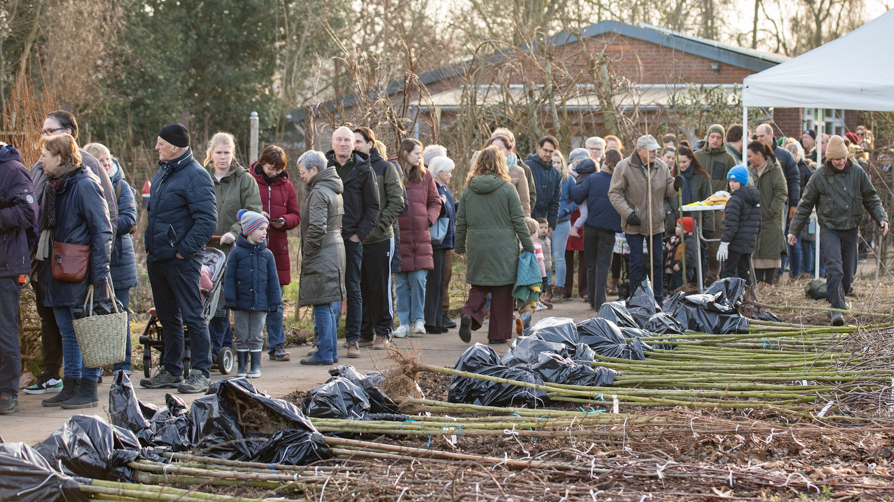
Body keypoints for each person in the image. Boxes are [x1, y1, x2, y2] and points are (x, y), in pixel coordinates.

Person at [26, 110, 117, 395]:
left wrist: (98, 273)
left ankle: (87, 386)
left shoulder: (84, 183)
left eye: (45, 154)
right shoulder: (56, 184)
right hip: (56, 267)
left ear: (60, 157)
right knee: (68, 330)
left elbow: (103, 228)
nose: (40, 159)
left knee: (84, 330)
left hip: (79, 269)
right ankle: (72, 384)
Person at [141, 123, 217, 394]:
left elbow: (207, 221)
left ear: (175, 146)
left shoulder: (196, 176)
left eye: (161, 143)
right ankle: (171, 370)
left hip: (182, 260)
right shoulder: (162, 174)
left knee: (192, 316)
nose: (156, 147)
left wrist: (182, 251)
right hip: (158, 258)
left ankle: (200, 372)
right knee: (167, 316)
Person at [788, 135, 889, 326]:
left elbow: (871, 197)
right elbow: (805, 204)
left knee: (848, 272)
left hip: (851, 228)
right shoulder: (819, 176)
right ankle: (836, 308)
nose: (841, 162)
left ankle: (837, 299)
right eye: (837, 159)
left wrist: (881, 218)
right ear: (829, 159)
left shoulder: (857, 172)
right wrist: (794, 230)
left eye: (843, 158)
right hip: (830, 228)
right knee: (834, 268)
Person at [456, 146, 534, 345]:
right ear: (501, 164)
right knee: (503, 292)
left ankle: (470, 315)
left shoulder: (468, 190)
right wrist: (528, 245)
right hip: (504, 247)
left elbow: (461, 221)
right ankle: (498, 335)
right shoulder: (507, 189)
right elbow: (518, 220)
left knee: (479, 286)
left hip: (477, 245)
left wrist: (459, 248)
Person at [203, 132, 262, 363]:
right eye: (218, 153)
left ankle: (216, 349)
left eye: (227, 153)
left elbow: (253, 211)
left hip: (231, 250)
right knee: (206, 299)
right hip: (204, 248)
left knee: (221, 301)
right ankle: (223, 349)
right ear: (211, 153)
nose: (222, 157)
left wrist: (235, 231)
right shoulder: (202, 176)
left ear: (233, 154)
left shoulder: (244, 179)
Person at [83, 143, 138, 375]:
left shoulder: (120, 186)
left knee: (119, 312)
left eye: (107, 158)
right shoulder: (84, 186)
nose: (106, 163)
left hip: (119, 259)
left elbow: (129, 220)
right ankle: (94, 367)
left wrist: (101, 225)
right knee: (92, 313)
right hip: (92, 259)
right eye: (99, 159)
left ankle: (122, 366)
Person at [609, 134, 681, 304]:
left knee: (657, 261)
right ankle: (636, 299)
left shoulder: (662, 166)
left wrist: (676, 186)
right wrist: (628, 213)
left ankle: (658, 298)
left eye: (656, 149)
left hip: (656, 222)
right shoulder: (623, 166)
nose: (656, 152)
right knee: (635, 263)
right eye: (651, 150)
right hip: (633, 223)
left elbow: (668, 189)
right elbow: (614, 193)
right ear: (640, 151)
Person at [326, 127, 379, 357]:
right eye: (339, 139)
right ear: (333, 143)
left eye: (348, 140)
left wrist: (359, 234)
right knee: (327, 290)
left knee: (353, 289)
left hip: (351, 238)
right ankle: (325, 340)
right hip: (327, 239)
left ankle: (352, 340)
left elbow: (373, 207)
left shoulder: (364, 170)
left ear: (353, 144)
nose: (344, 143)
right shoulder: (324, 167)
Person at [353, 127, 404, 352]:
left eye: (358, 141)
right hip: (356, 240)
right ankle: (365, 331)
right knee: (360, 287)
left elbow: (397, 201)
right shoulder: (349, 170)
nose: (354, 145)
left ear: (370, 144)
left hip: (380, 238)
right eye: (351, 141)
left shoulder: (386, 168)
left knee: (380, 287)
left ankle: (383, 331)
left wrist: (381, 225)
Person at [249, 145, 300, 362]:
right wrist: (255, 217)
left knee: (276, 301)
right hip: (252, 249)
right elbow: (239, 210)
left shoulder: (287, 186)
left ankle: (277, 345)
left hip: (277, 249)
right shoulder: (248, 181)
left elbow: (296, 215)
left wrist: (284, 222)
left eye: (278, 169)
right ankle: (251, 344)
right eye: (271, 168)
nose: (274, 173)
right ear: (261, 163)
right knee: (251, 300)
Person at [296, 151, 346, 364]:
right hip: (335, 249)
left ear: (314, 170)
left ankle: (324, 352)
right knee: (330, 302)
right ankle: (331, 351)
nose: (301, 176)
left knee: (322, 303)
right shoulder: (332, 188)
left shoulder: (318, 192)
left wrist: (308, 252)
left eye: (303, 172)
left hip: (322, 251)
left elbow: (316, 227)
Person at [0, 142, 37, 414]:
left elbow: (28, 212)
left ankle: (7, 392)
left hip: (6, 266)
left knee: (4, 330)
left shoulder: (13, 170)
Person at [224, 210, 281, 377]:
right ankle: (242, 366)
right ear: (248, 230)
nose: (264, 233)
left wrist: (274, 302)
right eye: (260, 229)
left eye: (266, 229)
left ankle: (256, 366)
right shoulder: (236, 253)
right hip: (241, 303)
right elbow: (229, 278)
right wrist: (230, 299)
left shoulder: (268, 255)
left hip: (260, 303)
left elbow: (273, 281)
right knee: (241, 334)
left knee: (256, 334)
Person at [393, 139, 441, 338]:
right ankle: (403, 322)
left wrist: (428, 219)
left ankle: (418, 319)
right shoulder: (393, 172)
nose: (420, 157)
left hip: (420, 236)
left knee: (419, 280)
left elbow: (435, 201)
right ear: (405, 153)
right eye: (416, 153)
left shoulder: (425, 175)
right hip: (398, 235)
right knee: (402, 282)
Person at [571, 156, 621, 310]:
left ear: (603, 163)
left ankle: (592, 299)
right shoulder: (618, 181)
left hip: (590, 227)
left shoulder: (592, 178)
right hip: (608, 229)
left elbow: (577, 195)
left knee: (591, 265)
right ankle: (600, 302)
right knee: (603, 265)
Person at [745, 141, 788, 284]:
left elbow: (781, 192)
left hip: (771, 219)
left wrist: (771, 211)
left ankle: (769, 284)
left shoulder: (774, 169)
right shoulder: (750, 170)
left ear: (759, 154)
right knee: (756, 254)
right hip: (754, 219)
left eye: (750, 156)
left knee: (770, 254)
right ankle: (757, 286)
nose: (749, 159)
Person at [424, 156, 456, 333]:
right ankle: (431, 321)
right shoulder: (434, 189)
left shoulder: (444, 188)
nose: (451, 175)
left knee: (440, 281)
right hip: (436, 240)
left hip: (444, 240)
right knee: (434, 281)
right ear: (440, 172)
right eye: (449, 171)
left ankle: (437, 320)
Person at [717, 165, 760, 283]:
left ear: (742, 182)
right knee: (744, 272)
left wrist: (724, 242)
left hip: (735, 242)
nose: (731, 184)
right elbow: (758, 223)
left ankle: (728, 298)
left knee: (728, 272)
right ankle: (748, 296)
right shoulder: (754, 199)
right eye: (730, 181)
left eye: (735, 181)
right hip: (749, 242)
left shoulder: (735, 200)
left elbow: (731, 224)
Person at [783, 141, 813, 279]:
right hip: (790, 209)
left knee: (802, 244)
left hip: (802, 212)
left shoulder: (806, 169)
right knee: (791, 243)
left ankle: (801, 271)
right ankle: (795, 271)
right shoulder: (787, 168)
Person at [551, 149, 576, 302]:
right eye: (553, 162)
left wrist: (566, 210)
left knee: (559, 257)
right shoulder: (542, 178)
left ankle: (559, 289)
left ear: (562, 164)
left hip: (562, 223)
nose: (555, 165)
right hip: (545, 223)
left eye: (558, 162)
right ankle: (546, 289)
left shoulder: (569, 180)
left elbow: (577, 201)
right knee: (544, 258)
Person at [564, 149, 588, 301]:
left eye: (582, 160)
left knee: (584, 255)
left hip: (584, 219)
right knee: (566, 255)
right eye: (577, 160)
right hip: (567, 217)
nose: (579, 163)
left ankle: (584, 289)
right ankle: (565, 289)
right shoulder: (566, 175)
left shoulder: (589, 175)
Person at [525, 135, 563, 234]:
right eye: (545, 150)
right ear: (539, 148)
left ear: (555, 151)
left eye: (551, 151)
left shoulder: (556, 173)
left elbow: (555, 201)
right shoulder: (527, 166)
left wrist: (551, 225)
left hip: (543, 220)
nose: (547, 154)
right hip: (527, 216)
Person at [485, 135, 530, 216]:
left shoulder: (519, 172)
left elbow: (524, 202)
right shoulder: (483, 170)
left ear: (509, 150)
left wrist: (525, 221)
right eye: (493, 149)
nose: (496, 152)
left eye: (500, 149)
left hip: (511, 219)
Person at [491, 128, 536, 207]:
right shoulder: (483, 167)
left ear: (511, 147)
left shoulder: (523, 169)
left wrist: (520, 216)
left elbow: (530, 197)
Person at [668, 217, 698, 291]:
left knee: (681, 289)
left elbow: (690, 256)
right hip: (677, 270)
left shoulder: (689, 241)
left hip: (684, 270)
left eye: (678, 227)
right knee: (673, 288)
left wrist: (680, 264)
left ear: (685, 230)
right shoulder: (679, 240)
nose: (675, 228)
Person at [534, 217, 552, 308]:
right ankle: (535, 302)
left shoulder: (547, 240)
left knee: (542, 286)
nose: (544, 230)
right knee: (537, 286)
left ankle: (539, 300)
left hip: (545, 267)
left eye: (545, 228)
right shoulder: (536, 242)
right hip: (538, 267)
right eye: (541, 228)